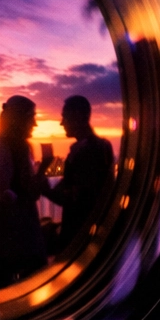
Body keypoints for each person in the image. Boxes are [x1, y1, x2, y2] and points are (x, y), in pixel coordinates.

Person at [0, 95, 48, 290]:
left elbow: (26, 191)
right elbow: (7, 196)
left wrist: (42, 170)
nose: (35, 123)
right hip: (7, 232)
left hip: (26, 228)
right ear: (18, 119)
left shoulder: (24, 148)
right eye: (31, 117)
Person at [40, 95, 115, 250]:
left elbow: (77, 199)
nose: (61, 123)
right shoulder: (94, 147)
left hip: (81, 237)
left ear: (78, 116)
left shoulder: (90, 151)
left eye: (64, 117)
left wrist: (45, 190)